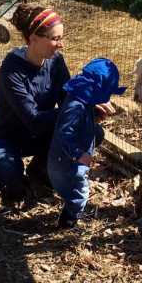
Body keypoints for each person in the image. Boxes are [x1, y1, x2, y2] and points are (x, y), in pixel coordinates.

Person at [0, 3, 114, 207]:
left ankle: (40, 170)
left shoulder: (55, 61)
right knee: (15, 187)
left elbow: (68, 99)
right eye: (55, 38)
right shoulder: (11, 70)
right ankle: (13, 178)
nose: (61, 44)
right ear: (33, 38)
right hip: (6, 138)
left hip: (39, 136)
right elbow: (33, 120)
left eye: (61, 38)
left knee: (93, 132)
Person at [47, 58, 126, 229]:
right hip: (68, 162)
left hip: (63, 159)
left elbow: (77, 124)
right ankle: (69, 221)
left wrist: (94, 117)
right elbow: (65, 133)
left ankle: (69, 213)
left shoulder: (79, 99)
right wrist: (78, 154)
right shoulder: (76, 107)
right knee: (80, 192)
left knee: (72, 190)